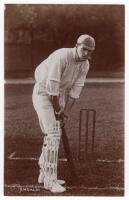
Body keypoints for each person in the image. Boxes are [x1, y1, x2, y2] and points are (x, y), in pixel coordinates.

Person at [32, 34, 95, 193]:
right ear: (77, 45)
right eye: (84, 49)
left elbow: (75, 91)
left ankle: (43, 172)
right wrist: (57, 111)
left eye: (90, 51)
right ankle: (49, 180)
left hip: (58, 96)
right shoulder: (61, 56)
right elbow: (52, 86)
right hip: (44, 93)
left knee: (52, 133)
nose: (86, 53)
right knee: (53, 134)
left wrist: (64, 114)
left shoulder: (85, 65)